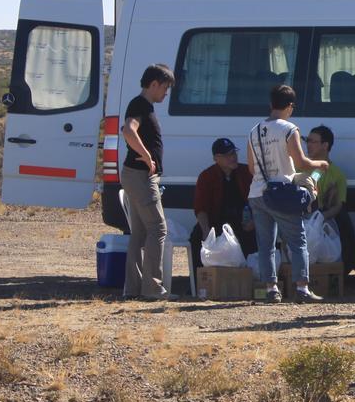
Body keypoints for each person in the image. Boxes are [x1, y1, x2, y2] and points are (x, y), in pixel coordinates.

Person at [246, 85, 329, 303]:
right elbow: (301, 162)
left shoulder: (254, 131)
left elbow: (251, 168)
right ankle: (302, 289)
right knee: (297, 241)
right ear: (290, 106)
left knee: (266, 244)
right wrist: (320, 164)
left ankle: (271, 288)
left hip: (257, 193)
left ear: (271, 104)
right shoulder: (289, 129)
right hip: (282, 193)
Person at [120, 63, 176, 300]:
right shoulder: (139, 105)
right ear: (154, 84)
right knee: (158, 228)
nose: (166, 92)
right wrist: (146, 155)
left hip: (135, 175)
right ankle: (153, 288)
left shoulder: (144, 105)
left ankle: (133, 289)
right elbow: (128, 130)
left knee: (141, 232)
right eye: (165, 87)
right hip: (140, 175)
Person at [190, 137, 257, 272]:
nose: (232, 157)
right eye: (227, 155)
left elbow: (259, 201)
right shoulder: (207, 176)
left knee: (257, 236)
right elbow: (201, 208)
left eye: (234, 153)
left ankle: (252, 278)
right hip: (216, 223)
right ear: (216, 158)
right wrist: (206, 231)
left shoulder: (246, 173)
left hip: (243, 223)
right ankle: (201, 282)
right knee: (197, 237)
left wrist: (254, 221)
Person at [305, 125, 355, 275]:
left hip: (320, 220)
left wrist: (322, 217)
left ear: (325, 145)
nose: (308, 145)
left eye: (312, 141)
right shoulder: (298, 167)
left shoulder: (337, 175)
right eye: (307, 141)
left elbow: (338, 206)